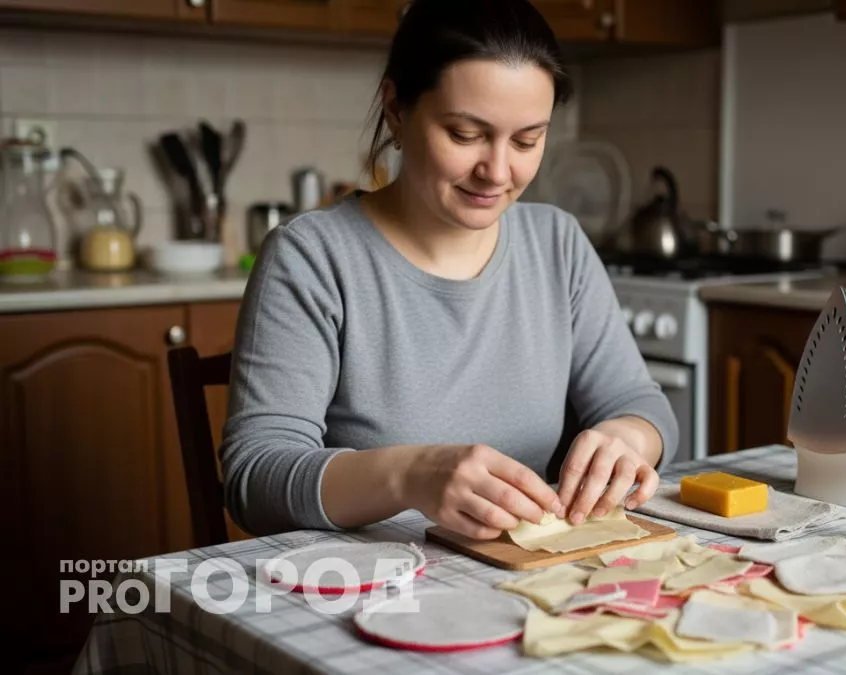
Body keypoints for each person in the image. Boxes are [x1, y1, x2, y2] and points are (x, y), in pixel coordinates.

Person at [219, 0, 678, 541]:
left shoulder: (556, 242)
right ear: (395, 109)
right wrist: (411, 476)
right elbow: (254, 478)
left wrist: (626, 438)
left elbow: (641, 403)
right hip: (369, 587)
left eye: (528, 140)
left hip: (524, 576)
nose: (498, 172)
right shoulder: (311, 257)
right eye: (465, 134)